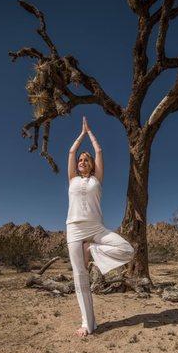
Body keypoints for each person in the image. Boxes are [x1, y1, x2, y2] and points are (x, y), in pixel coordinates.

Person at [66, 116, 135, 338]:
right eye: (81, 160)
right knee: (80, 277)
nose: (82, 161)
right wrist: (80, 135)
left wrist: (91, 133)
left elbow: (100, 151)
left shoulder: (97, 179)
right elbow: (70, 152)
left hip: (96, 228)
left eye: (86, 160)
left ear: (92, 165)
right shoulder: (72, 179)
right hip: (75, 229)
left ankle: (92, 251)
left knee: (127, 250)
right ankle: (88, 324)